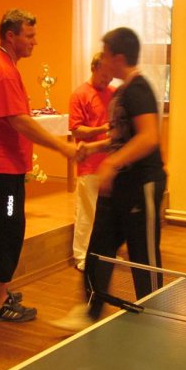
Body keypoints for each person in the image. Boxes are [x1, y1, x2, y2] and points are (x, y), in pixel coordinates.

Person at [50, 27, 166, 332]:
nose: (101, 59)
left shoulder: (139, 89)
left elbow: (149, 138)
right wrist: (95, 148)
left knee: (143, 256)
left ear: (119, 57)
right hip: (119, 186)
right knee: (99, 249)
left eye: (105, 53)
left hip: (142, 184)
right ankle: (90, 310)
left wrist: (112, 163)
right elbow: (121, 138)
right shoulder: (122, 92)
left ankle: (155, 315)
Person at [0, 9, 77, 322]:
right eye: (29, 36)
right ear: (10, 36)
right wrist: (62, 146)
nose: (35, 42)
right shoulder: (1, 70)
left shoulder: (2, 65)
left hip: (3, 166)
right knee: (7, 228)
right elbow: (18, 120)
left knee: (3, 226)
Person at [69, 53, 114, 272]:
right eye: (104, 75)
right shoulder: (80, 94)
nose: (108, 80)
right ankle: (81, 255)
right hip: (89, 163)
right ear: (94, 68)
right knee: (87, 212)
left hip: (110, 164)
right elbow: (76, 130)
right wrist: (102, 129)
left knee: (107, 214)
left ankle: (103, 253)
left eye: (111, 76)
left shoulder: (114, 93)